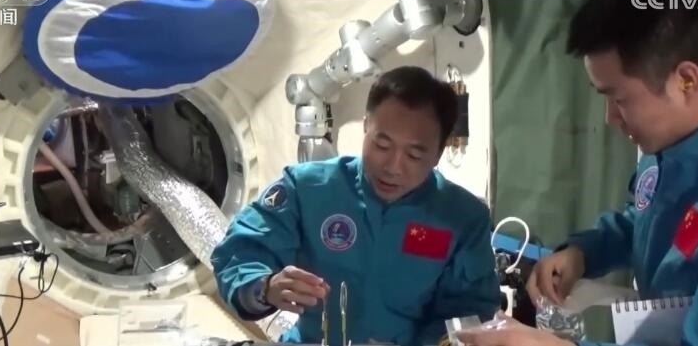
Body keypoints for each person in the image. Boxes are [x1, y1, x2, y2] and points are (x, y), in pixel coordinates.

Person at [457, 0, 698, 346]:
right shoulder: (678, 135)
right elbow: (649, 216)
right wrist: (583, 253)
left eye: (620, 99)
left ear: (686, 80)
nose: (610, 118)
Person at [211, 66, 502, 346]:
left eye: (414, 155)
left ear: (438, 153)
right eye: (382, 145)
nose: (392, 167)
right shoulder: (308, 189)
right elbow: (239, 254)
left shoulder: (461, 219)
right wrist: (264, 288)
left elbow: (470, 313)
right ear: (366, 126)